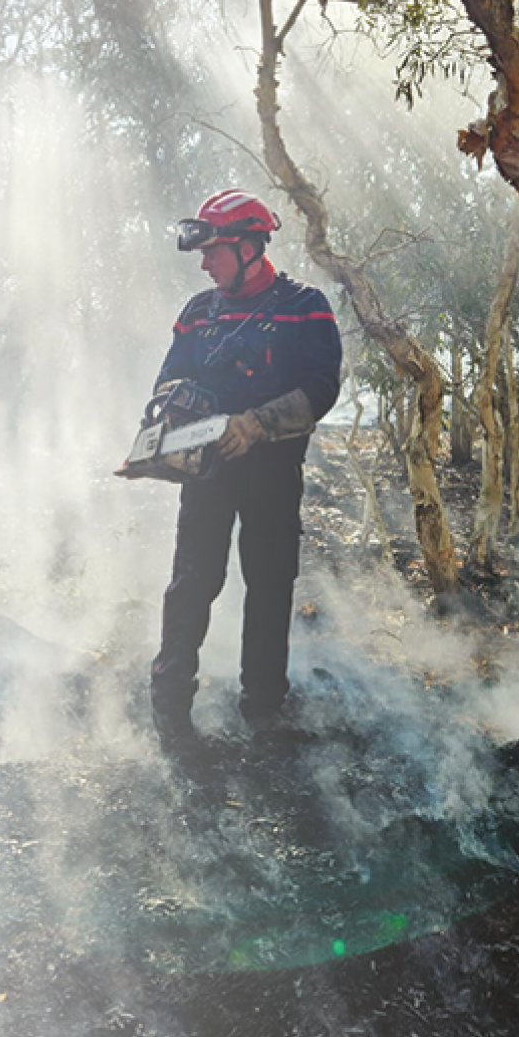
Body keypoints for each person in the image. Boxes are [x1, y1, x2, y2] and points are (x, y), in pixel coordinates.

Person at [149, 189, 342, 745]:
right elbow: (168, 381)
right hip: (207, 476)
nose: (205, 265)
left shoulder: (306, 307)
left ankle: (264, 705)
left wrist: (256, 424)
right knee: (192, 583)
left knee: (271, 583)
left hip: (273, 475)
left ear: (250, 248)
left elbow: (321, 388)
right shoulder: (197, 313)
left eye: (213, 252)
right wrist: (169, 421)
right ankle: (170, 703)